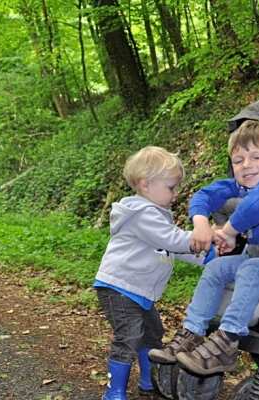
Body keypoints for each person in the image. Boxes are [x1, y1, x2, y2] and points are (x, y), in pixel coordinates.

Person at [148, 120, 259, 376]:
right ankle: (192, 333)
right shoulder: (241, 185)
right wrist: (201, 223)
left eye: (257, 156)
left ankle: (227, 340)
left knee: (251, 268)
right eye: (238, 160)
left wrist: (227, 232)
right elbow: (204, 195)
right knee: (216, 267)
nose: (246, 165)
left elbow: (255, 206)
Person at [94, 146, 206, 400]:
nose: (176, 194)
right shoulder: (142, 213)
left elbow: (173, 248)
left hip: (139, 291)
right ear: (145, 185)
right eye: (171, 187)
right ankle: (114, 391)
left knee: (153, 335)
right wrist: (201, 236)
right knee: (129, 336)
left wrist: (206, 256)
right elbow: (173, 239)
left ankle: (149, 381)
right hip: (119, 287)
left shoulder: (156, 215)